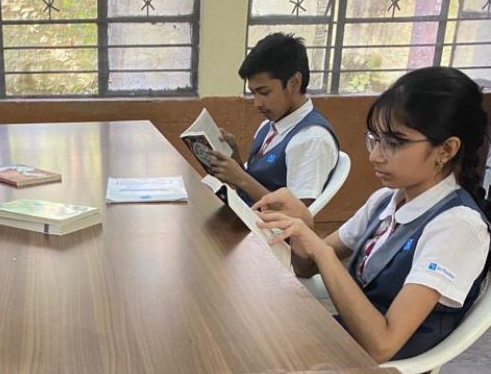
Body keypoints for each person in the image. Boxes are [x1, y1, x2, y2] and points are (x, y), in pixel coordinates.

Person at [254, 66, 491, 362]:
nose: (374, 155)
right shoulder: (385, 202)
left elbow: (382, 345)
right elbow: (306, 268)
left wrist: (322, 252)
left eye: (393, 143)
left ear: (446, 150)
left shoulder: (457, 227)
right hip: (340, 343)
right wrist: (304, 226)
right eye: (375, 139)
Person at [208, 33, 339, 206]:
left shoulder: (311, 139)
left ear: (294, 83)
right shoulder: (269, 126)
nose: (257, 103)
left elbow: (297, 215)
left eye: (264, 92)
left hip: (265, 224)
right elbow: (256, 184)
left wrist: (241, 179)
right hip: (248, 215)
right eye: (253, 93)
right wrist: (235, 159)